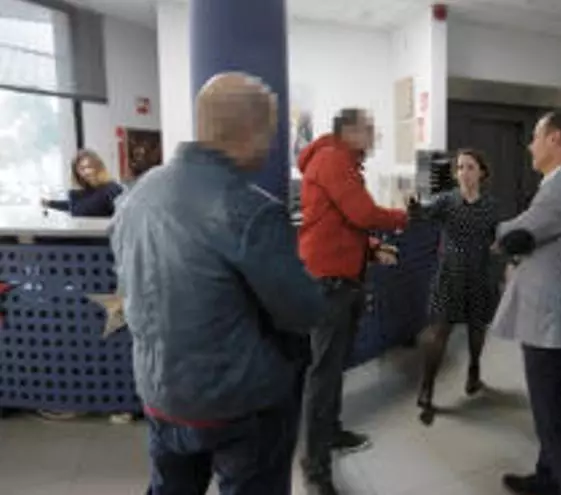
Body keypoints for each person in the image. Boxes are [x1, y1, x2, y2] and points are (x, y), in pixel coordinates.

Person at [110, 72, 323, 495]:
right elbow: (302, 311)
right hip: (241, 402)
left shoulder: (136, 195)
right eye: (270, 133)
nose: (270, 146)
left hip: (161, 393)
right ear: (251, 130)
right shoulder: (251, 210)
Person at [297, 108, 410, 495]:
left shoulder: (342, 161)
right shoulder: (332, 159)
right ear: (348, 131)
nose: (374, 134)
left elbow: (343, 222)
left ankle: (330, 433)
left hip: (342, 280)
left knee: (333, 368)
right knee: (324, 374)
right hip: (329, 284)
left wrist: (372, 247)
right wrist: (404, 217)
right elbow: (361, 213)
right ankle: (315, 467)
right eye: (369, 129)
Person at [494, 111, 561, 495]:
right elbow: (531, 230)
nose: (529, 146)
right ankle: (547, 478)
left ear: (555, 139)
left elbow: (519, 232)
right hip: (554, 315)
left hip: (551, 321)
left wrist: (489, 231)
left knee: (553, 421)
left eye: (535, 137)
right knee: (555, 408)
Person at [415, 149, 499, 426]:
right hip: (450, 275)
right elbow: (423, 214)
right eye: (460, 167)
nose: (464, 172)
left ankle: (474, 369)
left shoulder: (491, 206)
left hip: (480, 274)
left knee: (477, 328)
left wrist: (506, 262)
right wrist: (413, 207)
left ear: (482, 173)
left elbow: (498, 239)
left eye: (470, 167)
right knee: (438, 332)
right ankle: (426, 388)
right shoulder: (446, 201)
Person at [42, 150, 123, 217]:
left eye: (89, 167)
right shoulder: (80, 194)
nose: (86, 172)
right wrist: (49, 203)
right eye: (82, 169)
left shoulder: (112, 189)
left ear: (98, 167)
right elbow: (73, 205)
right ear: (77, 172)